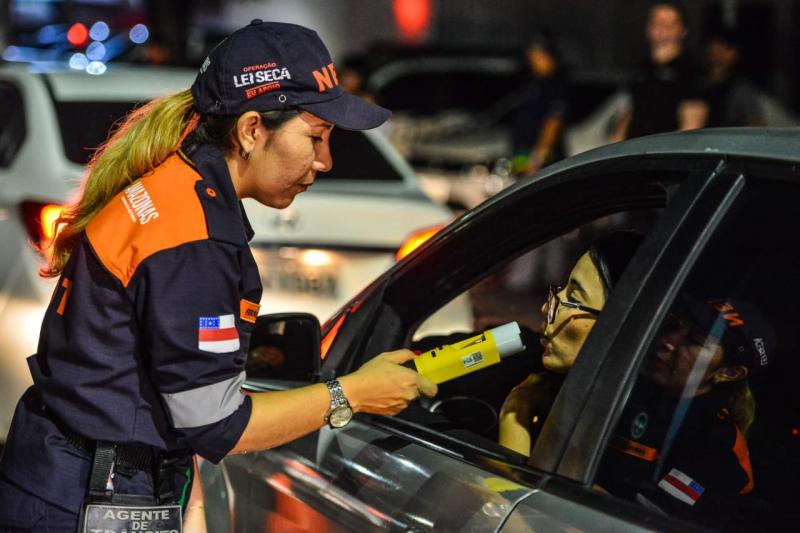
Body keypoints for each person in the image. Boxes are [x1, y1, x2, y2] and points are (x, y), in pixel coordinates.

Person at [0, 21, 437, 531]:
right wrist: (352, 395)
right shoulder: (193, 238)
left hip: (71, 479)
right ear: (252, 130)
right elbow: (219, 424)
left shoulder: (175, 186)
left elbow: (164, 378)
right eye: (316, 137)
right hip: (85, 500)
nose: (325, 160)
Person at [597, 295, 774, 528]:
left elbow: (641, 523)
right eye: (674, 327)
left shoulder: (717, 448)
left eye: (693, 340)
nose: (667, 341)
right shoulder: (622, 388)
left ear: (728, 373)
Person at [499, 231, 643, 455]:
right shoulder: (528, 361)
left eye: (574, 300)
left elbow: (513, 491)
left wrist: (515, 414)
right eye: (562, 291)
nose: (546, 308)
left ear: (620, 324)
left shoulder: (622, 430)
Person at [612, 1, 708, 141]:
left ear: (682, 30)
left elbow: (692, 126)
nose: (661, 28)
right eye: (656, 22)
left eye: (669, 24)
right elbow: (628, 113)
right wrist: (616, 148)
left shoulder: (691, 70)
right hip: (635, 152)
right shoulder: (641, 68)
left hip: (666, 154)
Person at [510, 30, 569, 177]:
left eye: (534, 52)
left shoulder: (556, 83)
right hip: (523, 156)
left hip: (541, 162)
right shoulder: (533, 82)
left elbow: (553, 123)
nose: (531, 58)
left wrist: (537, 160)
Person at [702, 28, 765, 128]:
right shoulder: (698, 83)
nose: (718, 56)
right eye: (714, 50)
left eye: (724, 51)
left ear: (735, 54)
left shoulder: (742, 89)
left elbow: (755, 124)